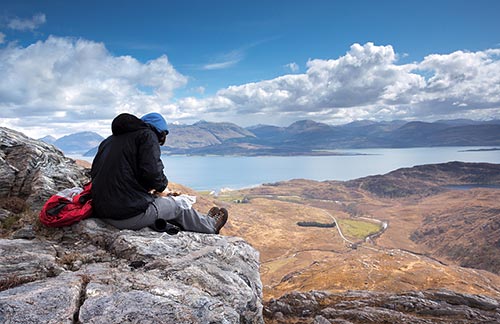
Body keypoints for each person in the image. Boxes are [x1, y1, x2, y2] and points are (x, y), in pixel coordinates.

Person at [90, 112, 228, 234]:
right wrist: (163, 188)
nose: (161, 141)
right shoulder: (147, 135)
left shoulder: (109, 141)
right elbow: (153, 173)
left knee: (157, 202)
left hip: (101, 211)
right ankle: (210, 225)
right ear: (159, 132)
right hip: (124, 217)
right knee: (177, 205)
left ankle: (199, 220)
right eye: (162, 137)